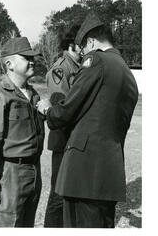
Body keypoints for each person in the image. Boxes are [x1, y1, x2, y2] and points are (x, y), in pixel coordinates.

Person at [37, 11, 139, 228]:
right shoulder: (127, 72)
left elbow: (67, 110)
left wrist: (48, 110)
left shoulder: (97, 61)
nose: (82, 54)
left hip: (83, 174)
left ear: (91, 42)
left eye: (82, 48)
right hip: (108, 174)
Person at [0, 37, 45, 227]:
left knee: (26, 224)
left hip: (34, 170)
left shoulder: (33, 94)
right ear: (9, 64)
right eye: (26, 57)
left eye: (32, 57)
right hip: (11, 174)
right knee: (8, 224)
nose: (32, 61)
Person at [44, 31, 81, 227]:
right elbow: (61, 108)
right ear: (70, 46)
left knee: (70, 192)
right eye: (79, 44)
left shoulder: (79, 67)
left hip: (74, 139)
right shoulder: (61, 69)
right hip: (63, 138)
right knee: (58, 194)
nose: (82, 48)